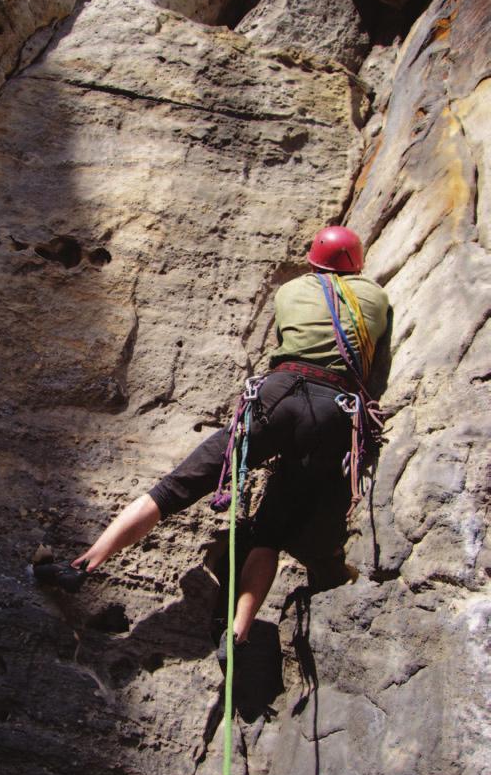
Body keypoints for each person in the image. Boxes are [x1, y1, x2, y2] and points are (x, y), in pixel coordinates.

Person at [36, 227, 389, 647]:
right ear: (358, 263)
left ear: (313, 262)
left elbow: (287, 341)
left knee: (173, 490)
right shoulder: (377, 297)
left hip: (280, 393)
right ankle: (236, 635)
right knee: (270, 535)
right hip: (336, 412)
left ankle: (82, 566)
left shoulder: (292, 291)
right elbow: (373, 359)